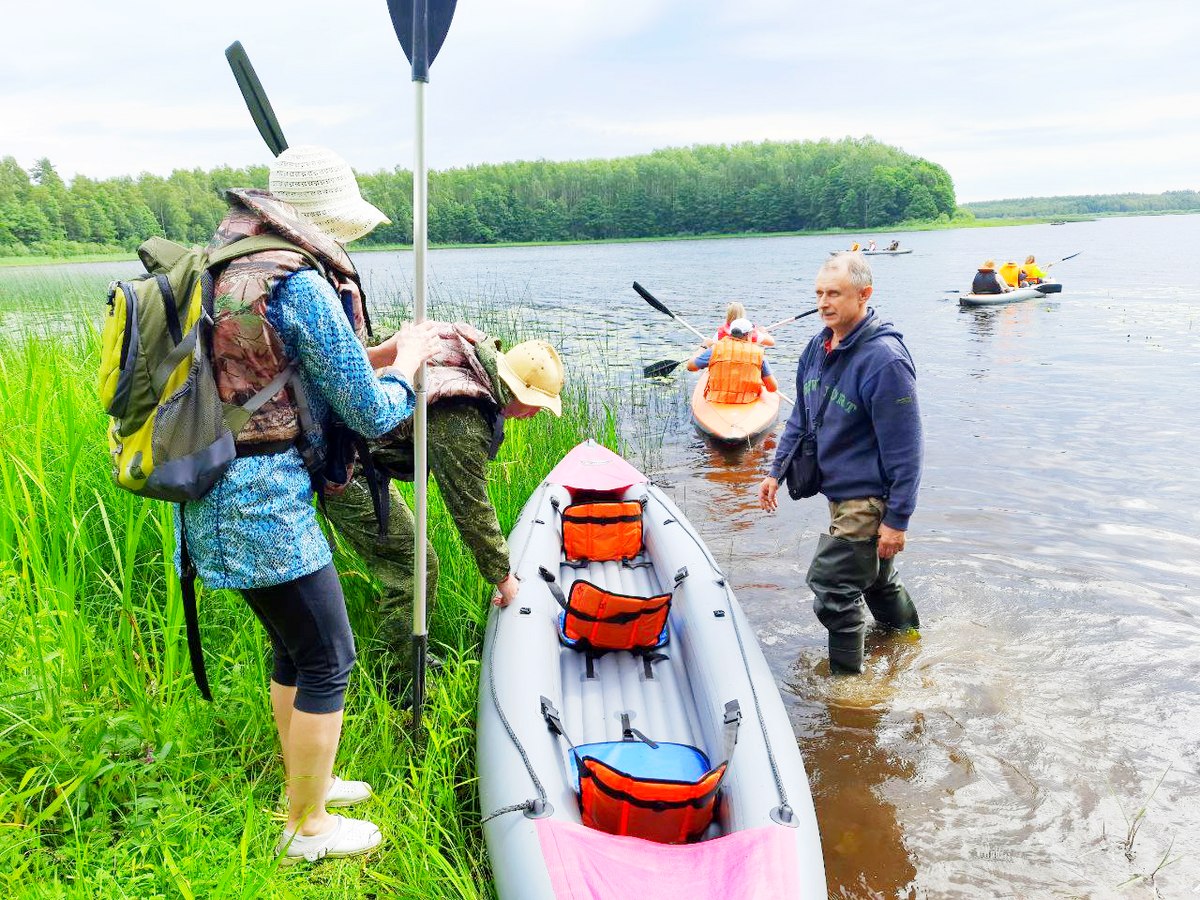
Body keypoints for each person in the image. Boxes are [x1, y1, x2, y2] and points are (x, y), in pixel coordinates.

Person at [181, 145, 439, 865]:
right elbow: (367, 410)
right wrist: (413, 369)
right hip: (266, 504)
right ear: (320, 222)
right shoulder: (298, 285)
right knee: (330, 656)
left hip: (213, 490)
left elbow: (278, 369)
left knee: (292, 648)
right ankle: (308, 829)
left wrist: (382, 353)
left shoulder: (226, 266)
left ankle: (309, 788)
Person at [322, 325, 565, 697]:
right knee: (415, 566)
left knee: (415, 562)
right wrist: (504, 577)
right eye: (536, 405)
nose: (533, 416)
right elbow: (471, 510)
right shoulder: (462, 421)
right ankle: (401, 680)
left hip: (366, 457)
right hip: (343, 467)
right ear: (517, 390)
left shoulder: (477, 361)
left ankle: (403, 655)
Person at [758, 253, 921, 674]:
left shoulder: (886, 361)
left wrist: (897, 520)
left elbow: (907, 448)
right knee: (877, 581)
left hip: (868, 497)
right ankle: (908, 643)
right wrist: (776, 471)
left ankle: (848, 688)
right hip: (839, 490)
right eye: (819, 294)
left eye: (835, 294)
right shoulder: (817, 346)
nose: (824, 303)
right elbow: (801, 416)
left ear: (864, 295)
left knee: (833, 586)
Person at [688, 317, 778, 403]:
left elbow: (691, 367)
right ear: (748, 334)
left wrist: (703, 347)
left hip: (718, 399)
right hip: (747, 400)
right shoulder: (758, 354)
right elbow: (772, 388)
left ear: (731, 333)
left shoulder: (715, 349)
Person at [702, 301, 776, 347]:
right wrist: (764, 332)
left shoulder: (721, 333)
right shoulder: (750, 334)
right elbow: (771, 342)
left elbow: (712, 345)